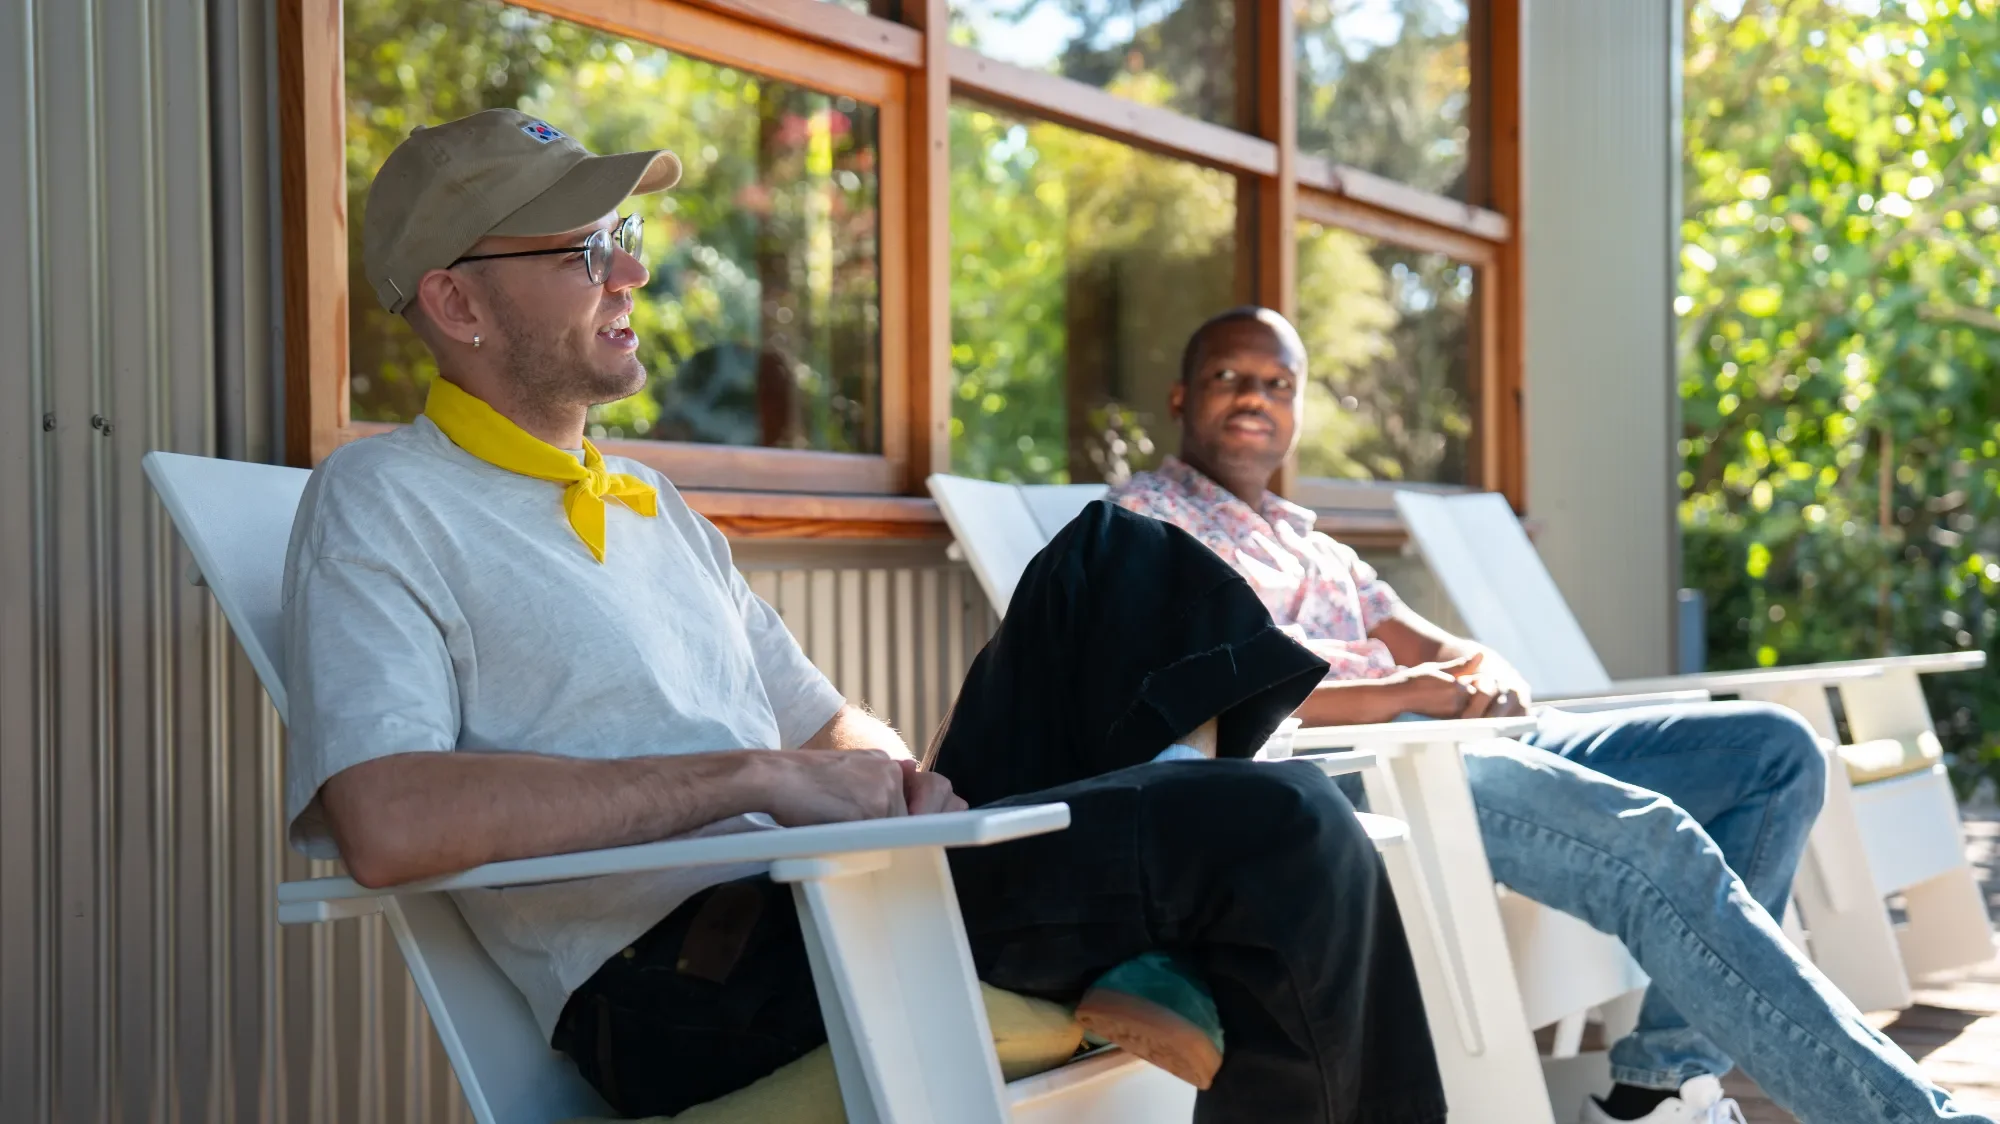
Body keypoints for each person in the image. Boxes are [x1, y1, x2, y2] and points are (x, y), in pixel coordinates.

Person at [283, 111, 1444, 1124]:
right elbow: (387, 817)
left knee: (1117, 559)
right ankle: (1159, 917)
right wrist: (749, 777)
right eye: (586, 251)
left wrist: (901, 787)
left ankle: (1148, 913)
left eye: (622, 241)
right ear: (454, 300)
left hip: (830, 890)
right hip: (687, 981)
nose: (629, 276)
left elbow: (825, 727)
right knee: (1285, 824)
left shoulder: (650, 504)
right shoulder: (386, 499)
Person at [1104, 305, 1995, 1124]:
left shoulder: (1314, 543)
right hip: (1365, 767)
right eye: (1232, 377)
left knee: (1773, 750)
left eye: (1278, 384)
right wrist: (1414, 695)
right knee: (1656, 841)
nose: (1256, 397)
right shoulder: (1146, 521)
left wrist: (1483, 677)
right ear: (1184, 395)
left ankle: (1656, 1089)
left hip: (1464, 733)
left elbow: (1444, 646)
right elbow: (1215, 698)